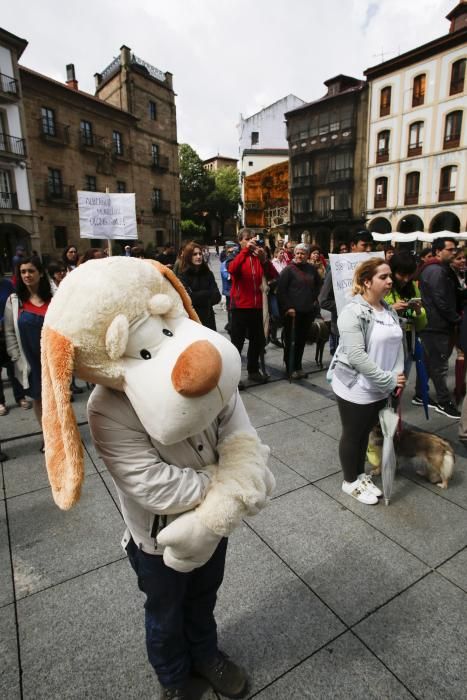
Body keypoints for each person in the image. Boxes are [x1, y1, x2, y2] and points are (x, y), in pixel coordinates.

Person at [330, 257, 405, 505]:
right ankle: (349, 481)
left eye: (389, 276)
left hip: (381, 387)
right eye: (383, 277)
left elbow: (398, 345)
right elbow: (356, 356)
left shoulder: (389, 310)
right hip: (356, 387)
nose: (389, 281)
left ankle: (360, 475)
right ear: (366, 281)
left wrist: (399, 375)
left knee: (365, 434)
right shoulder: (352, 312)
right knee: (353, 434)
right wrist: (388, 379)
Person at [4, 256, 52, 433]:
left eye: (31, 271)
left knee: (58, 399)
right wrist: (16, 357)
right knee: (38, 399)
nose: (27, 275)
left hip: (53, 358)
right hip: (30, 359)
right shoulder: (14, 301)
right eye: (23, 271)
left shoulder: (54, 298)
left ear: (40, 273)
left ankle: (63, 435)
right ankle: (47, 437)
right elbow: (9, 331)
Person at [228, 229, 278, 384]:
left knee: (258, 341)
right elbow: (232, 270)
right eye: (247, 238)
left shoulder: (259, 257)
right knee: (237, 343)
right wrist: (244, 252)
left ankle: (253, 370)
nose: (251, 241)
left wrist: (265, 260)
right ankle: (233, 377)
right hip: (240, 307)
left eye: (252, 238)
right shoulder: (236, 256)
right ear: (240, 241)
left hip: (256, 306)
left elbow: (274, 276)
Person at [419, 237, 461, 419]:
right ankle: (444, 401)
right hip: (437, 325)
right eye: (450, 250)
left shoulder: (439, 269)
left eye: (454, 249)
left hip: (435, 324)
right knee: (439, 365)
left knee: (431, 362)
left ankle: (420, 394)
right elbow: (440, 300)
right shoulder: (436, 270)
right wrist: (456, 318)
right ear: (437, 251)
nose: (454, 252)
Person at [384, 252, 429, 405]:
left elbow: (422, 324)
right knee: (384, 389)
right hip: (386, 348)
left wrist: (418, 312)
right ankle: (378, 423)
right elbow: (371, 315)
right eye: (401, 274)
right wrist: (391, 309)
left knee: (398, 388)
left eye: (409, 275)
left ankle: (391, 422)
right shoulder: (384, 287)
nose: (405, 279)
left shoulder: (413, 289)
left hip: (408, 346)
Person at [319, 230, 373, 355]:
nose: (369, 249)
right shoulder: (338, 268)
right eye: (364, 246)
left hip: (369, 328)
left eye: (371, 245)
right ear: (353, 246)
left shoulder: (373, 268)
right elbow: (323, 300)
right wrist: (346, 306)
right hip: (344, 329)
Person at [277, 243, 322, 379]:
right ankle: (290, 367)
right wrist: (288, 307)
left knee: (301, 340)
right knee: (291, 341)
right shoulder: (288, 270)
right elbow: (281, 291)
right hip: (292, 313)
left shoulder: (311, 269)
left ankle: (298, 366)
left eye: (302, 253)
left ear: (307, 255)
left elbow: (318, 284)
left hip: (307, 311)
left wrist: (314, 299)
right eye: (297, 253)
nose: (299, 256)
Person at [0, 271, 31, 415]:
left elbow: (14, 303)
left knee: (14, 363)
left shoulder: (7, 284)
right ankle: (0, 402)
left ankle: (20, 397)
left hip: (8, 329)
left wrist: (4, 322)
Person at [178, 242, 221, 331]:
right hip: (192, 320)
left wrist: (198, 295)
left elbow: (217, 296)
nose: (198, 257)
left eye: (200, 254)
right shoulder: (183, 276)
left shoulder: (208, 274)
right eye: (194, 254)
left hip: (208, 319)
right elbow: (188, 299)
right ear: (188, 257)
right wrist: (207, 293)